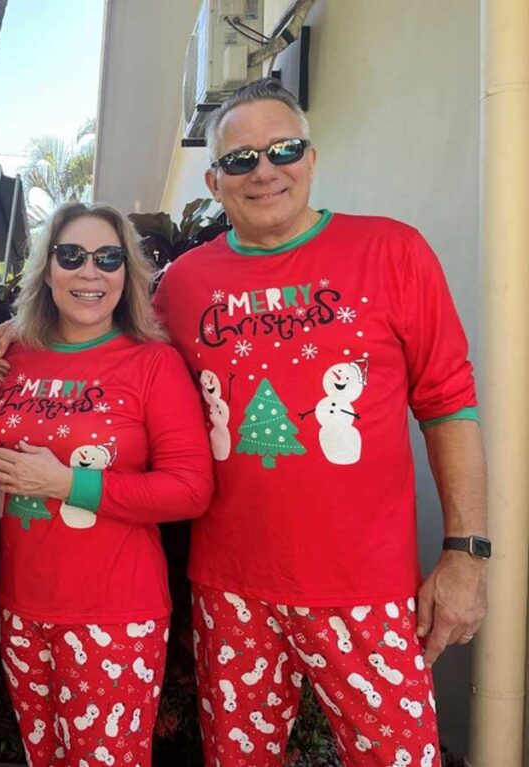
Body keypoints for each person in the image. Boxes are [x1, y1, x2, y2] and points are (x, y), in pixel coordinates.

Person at [149, 79, 487, 765]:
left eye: (284, 148)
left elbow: (449, 404)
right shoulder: (182, 286)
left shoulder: (393, 252)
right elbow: (119, 366)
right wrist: (14, 333)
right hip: (231, 590)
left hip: (366, 590)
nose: (266, 170)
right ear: (215, 181)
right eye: (242, 159)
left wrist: (466, 553)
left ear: (311, 156)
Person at [0, 201, 214, 766]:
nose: (90, 272)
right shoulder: (16, 355)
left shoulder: (151, 363)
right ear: (47, 269)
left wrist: (69, 483)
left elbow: (189, 488)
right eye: (72, 256)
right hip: (21, 606)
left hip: (116, 615)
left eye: (108, 258)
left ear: (127, 273)